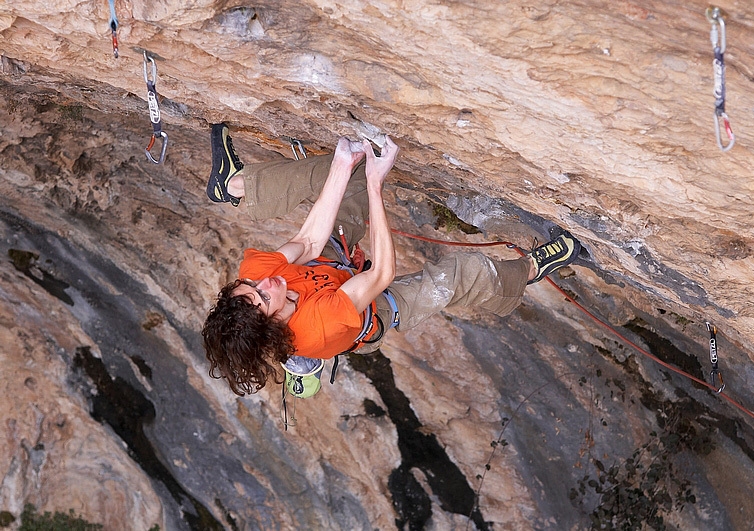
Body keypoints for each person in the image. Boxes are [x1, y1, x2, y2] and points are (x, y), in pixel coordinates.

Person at [202, 124, 582, 396]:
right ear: (273, 324)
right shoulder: (317, 328)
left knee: (341, 176)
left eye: (251, 286)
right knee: (464, 275)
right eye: (264, 297)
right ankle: (529, 271)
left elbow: (307, 240)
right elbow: (383, 273)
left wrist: (343, 164)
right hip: (372, 310)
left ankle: (234, 184)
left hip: (328, 267)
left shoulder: (256, 280)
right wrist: (374, 182)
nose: (264, 283)